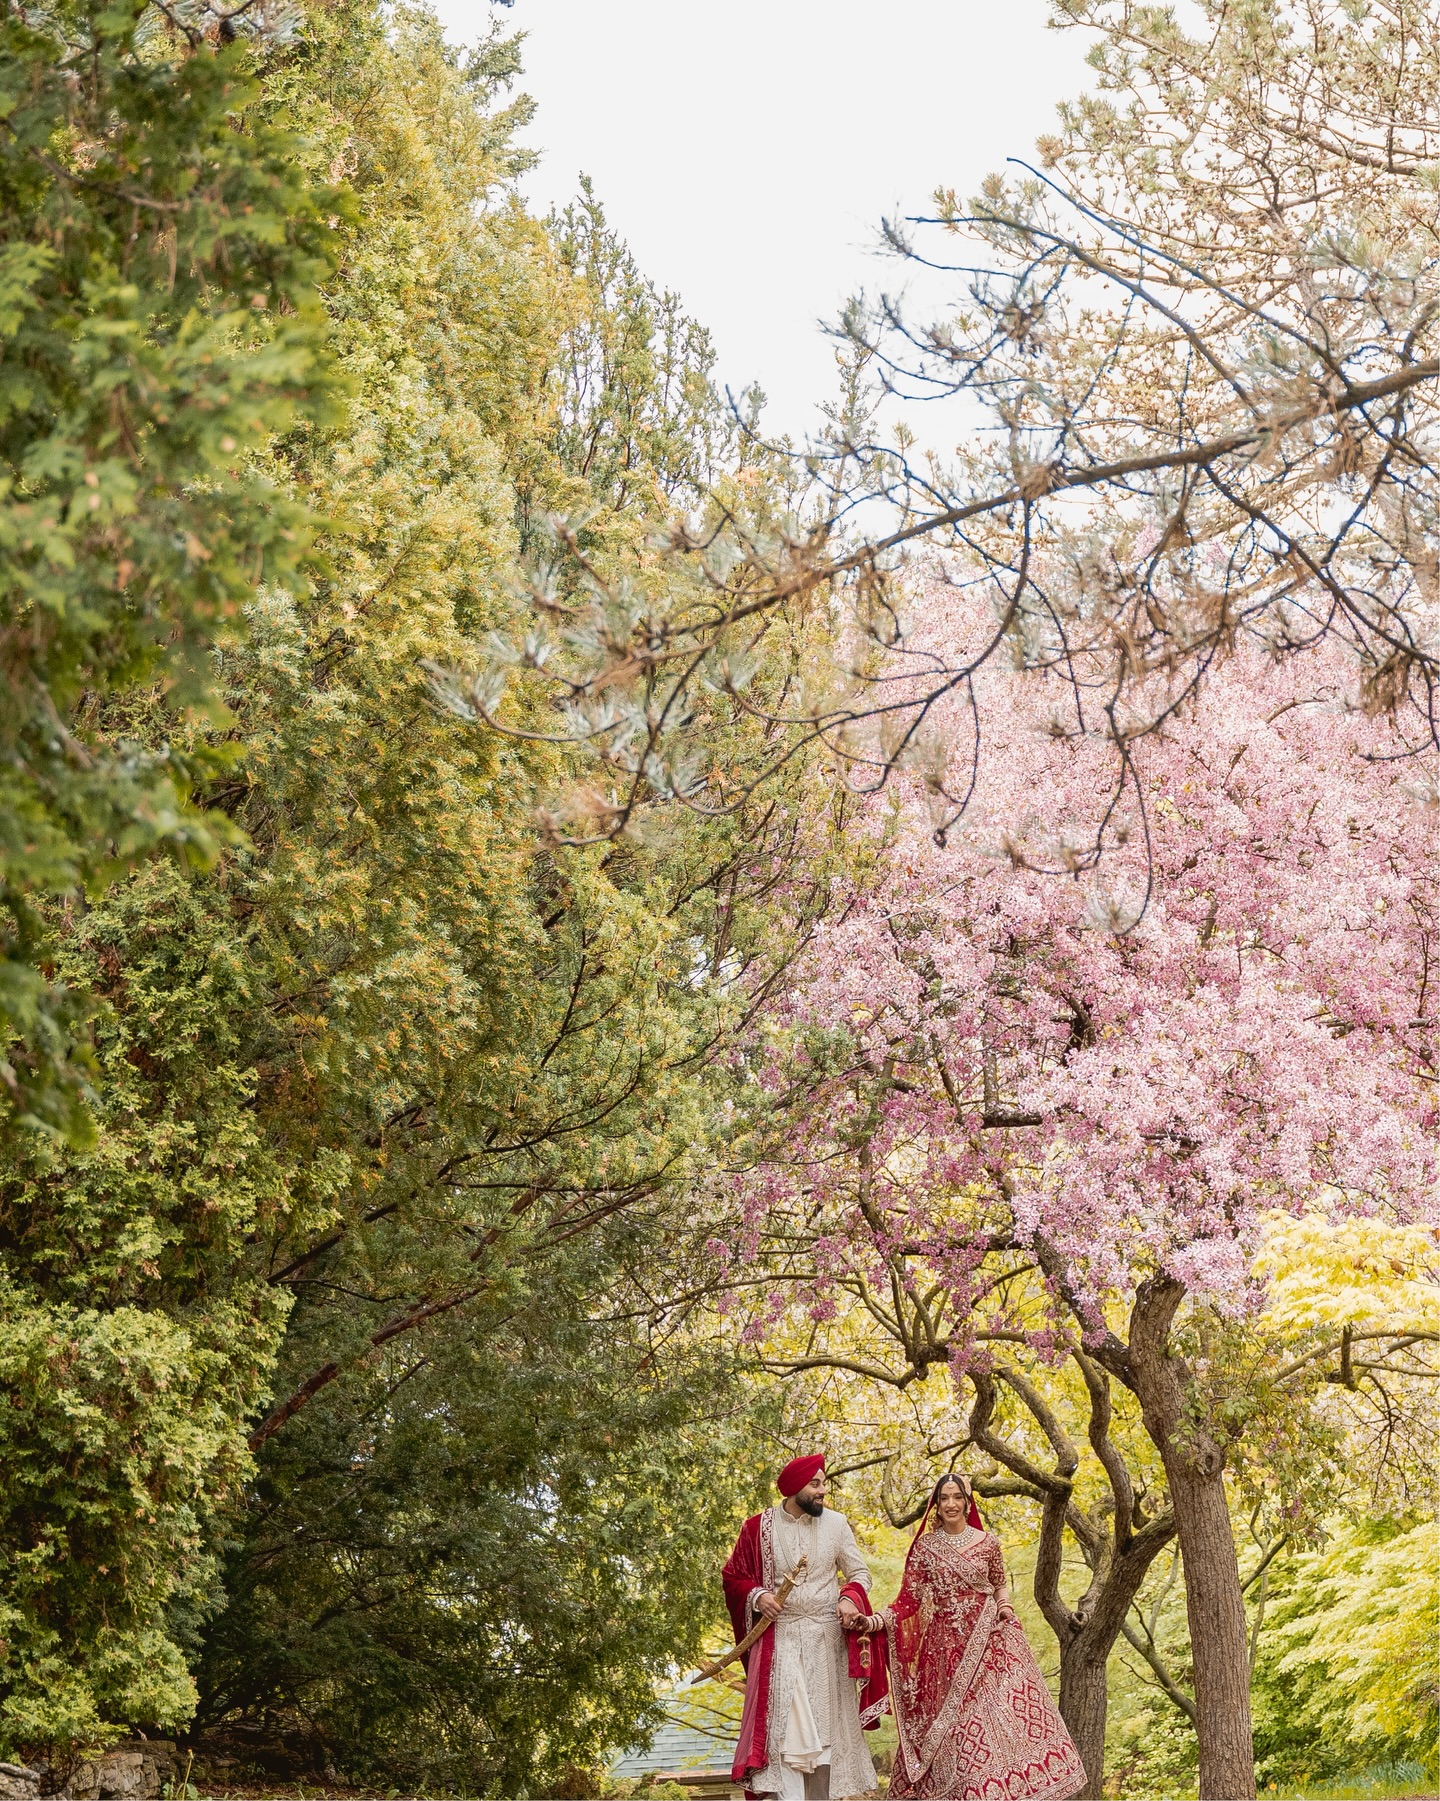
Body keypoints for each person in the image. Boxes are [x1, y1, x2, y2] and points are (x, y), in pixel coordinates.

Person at [868, 1473, 1086, 1801]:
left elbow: (998, 1583)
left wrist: (1005, 1606)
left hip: (986, 1647)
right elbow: (907, 1601)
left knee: (991, 1727)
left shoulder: (988, 1544)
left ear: (967, 1503)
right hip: (941, 1658)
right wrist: (874, 1622)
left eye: (957, 1497)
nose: (951, 1504)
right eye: (944, 1498)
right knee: (950, 1736)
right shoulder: (925, 1548)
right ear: (936, 1506)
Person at [722, 1454, 888, 1801]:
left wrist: (849, 1599)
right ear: (794, 1487)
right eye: (815, 1484)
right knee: (784, 1735)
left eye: (824, 1483)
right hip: (780, 1641)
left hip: (827, 1641)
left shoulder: (837, 1524)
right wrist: (758, 1596)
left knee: (825, 1733)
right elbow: (733, 1576)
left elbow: (860, 1574)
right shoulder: (758, 1528)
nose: (822, 1491)